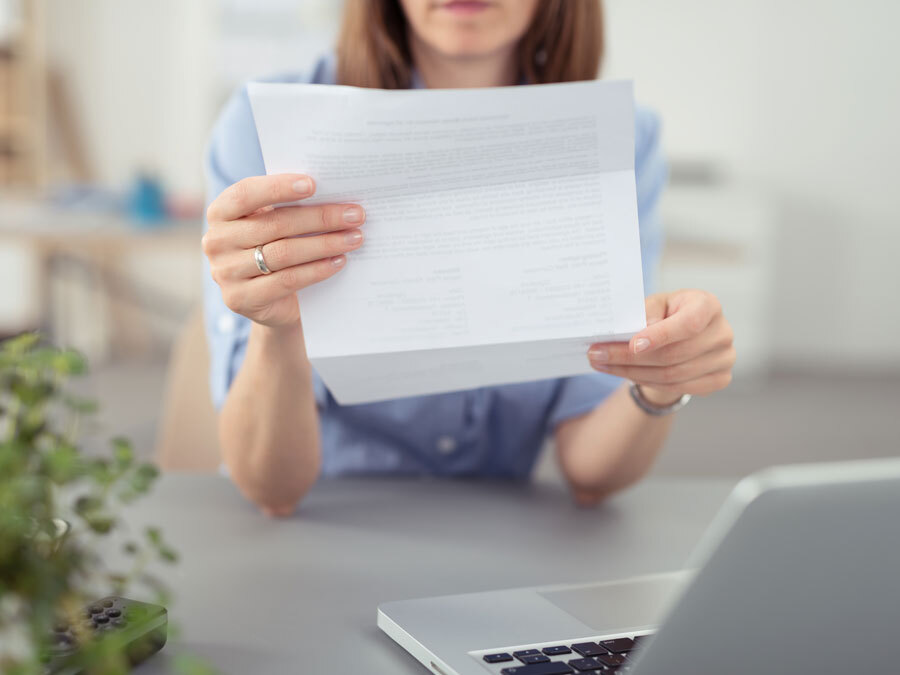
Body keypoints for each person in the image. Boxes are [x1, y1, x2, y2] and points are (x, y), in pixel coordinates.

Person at [201, 0, 736, 517]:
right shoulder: (266, 128)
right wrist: (276, 327)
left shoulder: (619, 137)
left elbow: (591, 472)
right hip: (327, 524)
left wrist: (660, 378)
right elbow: (271, 489)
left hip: (503, 539)